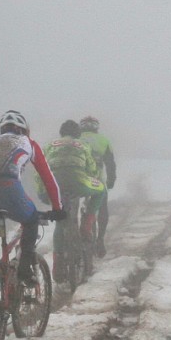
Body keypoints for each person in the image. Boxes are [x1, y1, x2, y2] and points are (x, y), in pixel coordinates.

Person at [0, 110, 66, 293]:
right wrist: (57, 208)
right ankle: (24, 268)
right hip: (10, 190)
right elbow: (48, 178)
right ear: (23, 129)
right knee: (31, 219)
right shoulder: (28, 143)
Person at [43, 120, 108, 279]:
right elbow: (92, 169)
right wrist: (90, 180)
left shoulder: (49, 145)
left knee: (61, 220)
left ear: (61, 133)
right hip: (78, 182)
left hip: (54, 187)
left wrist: (43, 191)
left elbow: (42, 167)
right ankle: (88, 222)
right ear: (77, 134)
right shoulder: (82, 145)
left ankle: (58, 262)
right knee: (101, 190)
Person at [78, 115, 116, 257]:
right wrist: (111, 180)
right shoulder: (104, 140)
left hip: (78, 179)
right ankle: (100, 240)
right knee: (102, 207)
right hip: (97, 180)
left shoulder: (76, 140)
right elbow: (110, 163)